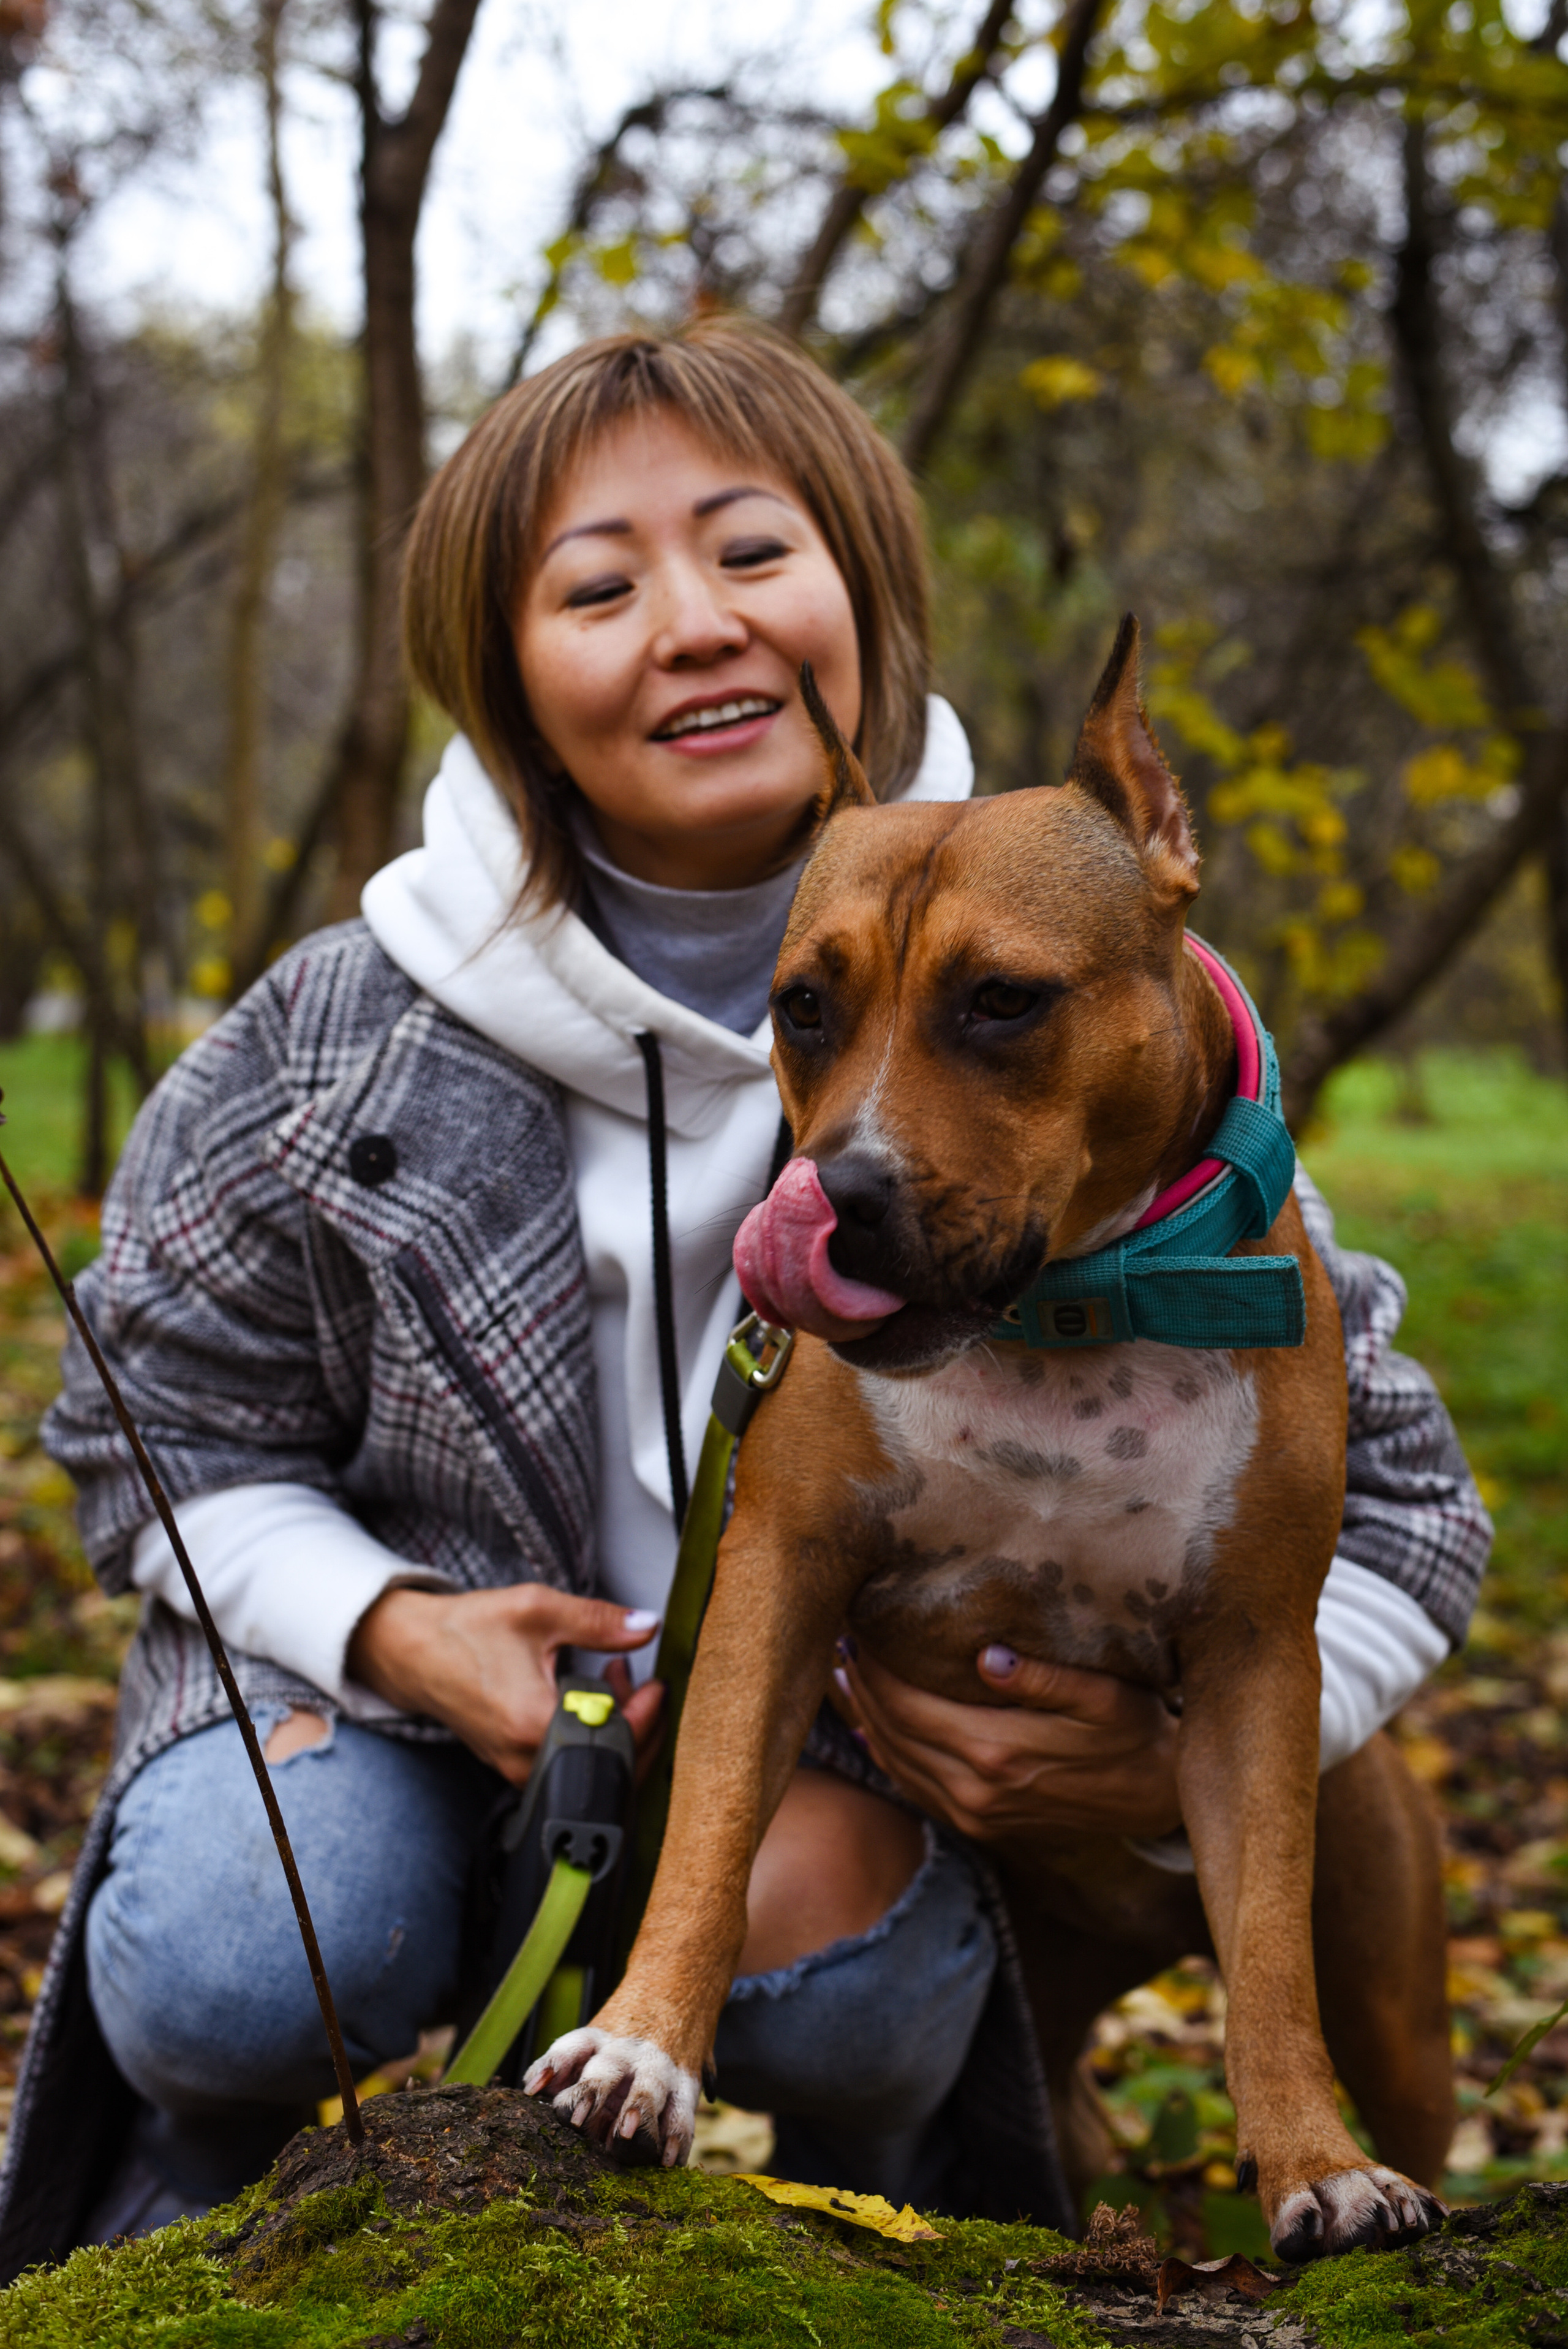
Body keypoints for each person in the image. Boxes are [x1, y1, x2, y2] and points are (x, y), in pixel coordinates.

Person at [0, 321, 1489, 2274]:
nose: (692, 623)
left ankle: (901, 2242)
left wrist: (1175, 1756)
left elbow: (1395, 1495)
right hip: (395, 1729)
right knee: (244, 1951)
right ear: (507, 681)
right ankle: (179, 2247)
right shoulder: (326, 1038)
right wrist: (389, 1624)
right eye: (598, 587)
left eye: (752, 552)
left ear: (870, 594)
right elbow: (146, 1423)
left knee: (867, 1997)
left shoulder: (1099, 953)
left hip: (846, 1769)